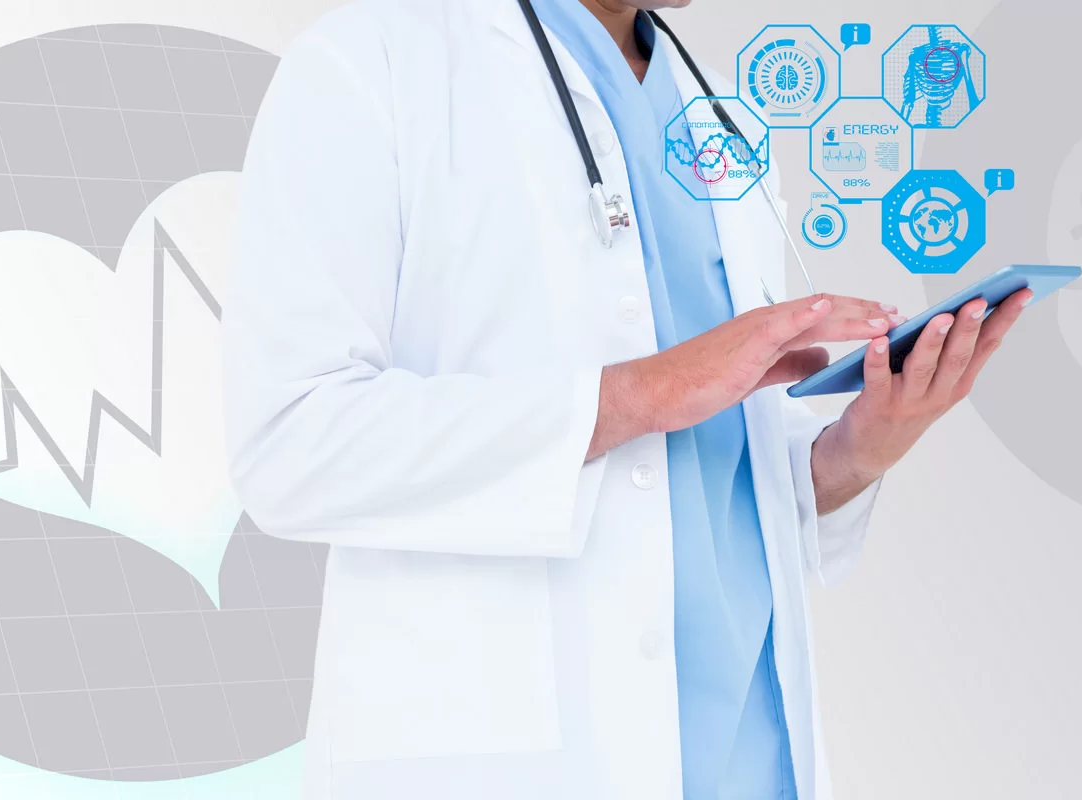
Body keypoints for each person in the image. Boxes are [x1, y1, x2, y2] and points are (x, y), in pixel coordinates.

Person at [222, 1, 1031, 798]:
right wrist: (642, 393)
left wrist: (858, 450)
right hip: (511, 758)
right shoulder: (373, 63)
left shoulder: (720, 110)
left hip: (749, 754)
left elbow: (722, 472)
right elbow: (290, 445)